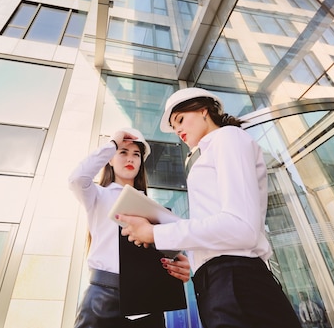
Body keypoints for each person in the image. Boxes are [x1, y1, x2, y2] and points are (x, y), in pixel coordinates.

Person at [117, 88, 302, 328]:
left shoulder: (228, 138)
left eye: (180, 120)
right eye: (174, 127)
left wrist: (156, 233)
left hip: (236, 280)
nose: (178, 131)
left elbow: (241, 227)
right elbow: (218, 223)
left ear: (204, 110)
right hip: (216, 283)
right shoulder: (206, 152)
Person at [68, 127, 190, 328]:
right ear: (110, 158)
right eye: (123, 152)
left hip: (149, 299)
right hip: (103, 297)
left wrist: (179, 267)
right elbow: (76, 179)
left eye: (136, 154)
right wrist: (112, 144)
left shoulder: (155, 210)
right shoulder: (97, 195)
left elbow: (167, 253)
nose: (130, 159)